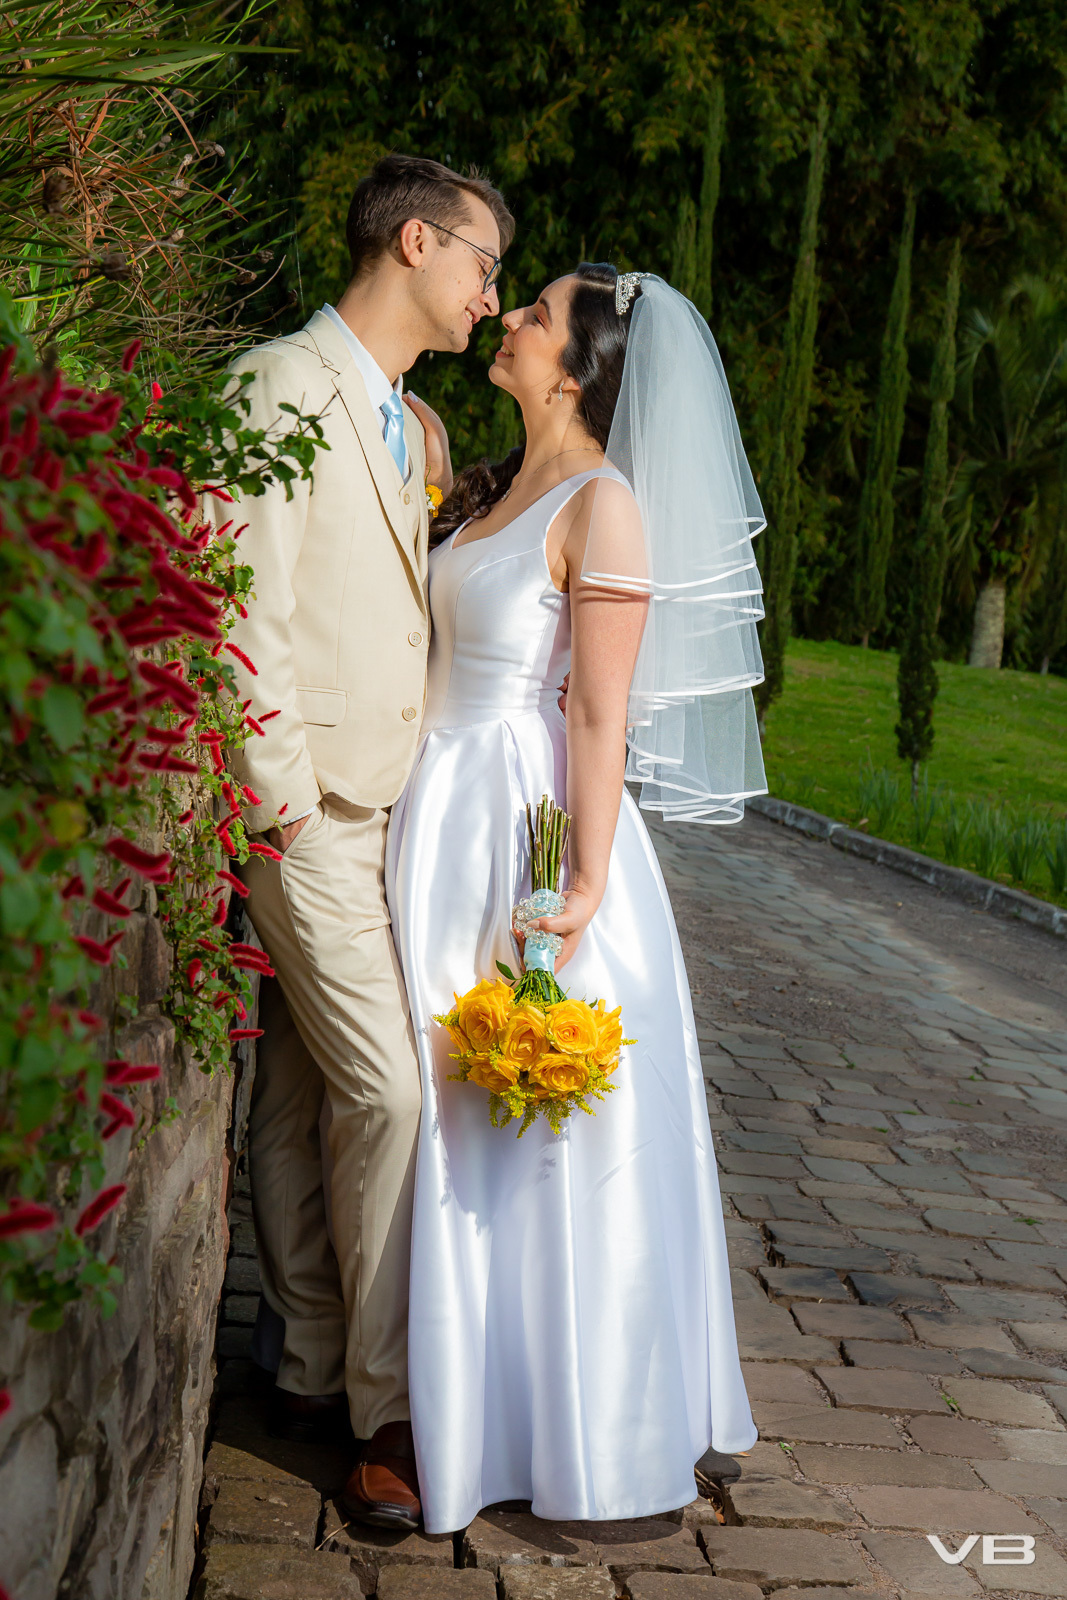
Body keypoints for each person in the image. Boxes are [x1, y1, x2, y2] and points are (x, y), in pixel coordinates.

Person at [385, 264, 768, 1533]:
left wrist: (584, 881)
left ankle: (557, 1417)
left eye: (535, 315)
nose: (508, 319)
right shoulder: (496, 487)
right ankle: (437, 1386)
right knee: (432, 1106)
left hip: (522, 829)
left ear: (578, 368)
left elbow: (597, 711)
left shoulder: (605, 508)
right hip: (432, 813)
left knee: (519, 1127)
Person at [222, 154, 514, 1529]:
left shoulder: (407, 420)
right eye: (482, 265)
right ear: (415, 241)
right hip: (307, 811)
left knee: (297, 1091)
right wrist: (277, 803)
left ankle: (306, 1358)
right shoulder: (278, 387)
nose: (490, 294)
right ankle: (387, 1411)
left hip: (386, 813)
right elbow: (244, 614)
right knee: (390, 1095)